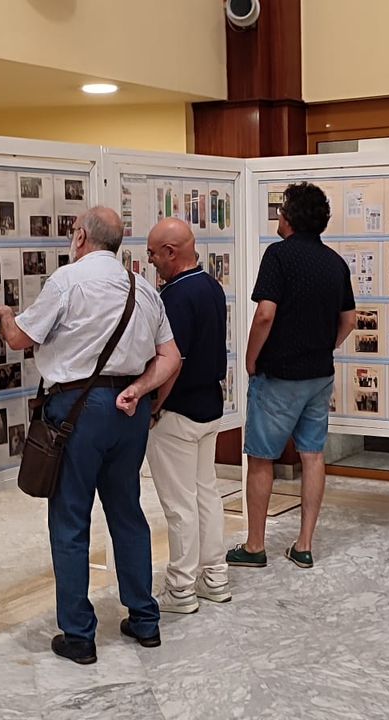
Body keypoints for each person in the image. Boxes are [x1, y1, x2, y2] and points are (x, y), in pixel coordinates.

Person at [0, 206, 180, 664]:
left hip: (76, 411)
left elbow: (19, 340)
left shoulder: (67, 281)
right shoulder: (144, 288)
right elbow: (170, 358)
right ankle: (145, 620)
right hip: (128, 413)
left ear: (79, 237)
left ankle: (79, 634)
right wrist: (138, 390)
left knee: (71, 520)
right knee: (127, 513)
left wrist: (7, 314)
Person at [228, 182, 354, 570]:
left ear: (290, 217)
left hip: (279, 375)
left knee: (262, 458)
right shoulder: (335, 263)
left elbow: (265, 314)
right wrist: (324, 346)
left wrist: (250, 360)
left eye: (281, 209)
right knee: (313, 455)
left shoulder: (278, 256)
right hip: (319, 375)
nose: (277, 216)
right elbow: (348, 320)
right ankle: (304, 544)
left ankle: (254, 546)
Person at [143, 218, 230, 614]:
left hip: (177, 413)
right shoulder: (211, 286)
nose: (150, 261)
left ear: (171, 253)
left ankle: (181, 588)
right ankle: (215, 576)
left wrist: (154, 405)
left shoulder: (175, 298)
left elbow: (170, 361)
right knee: (206, 494)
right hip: (209, 408)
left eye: (153, 254)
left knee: (180, 504)